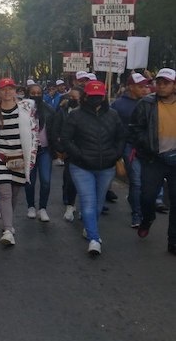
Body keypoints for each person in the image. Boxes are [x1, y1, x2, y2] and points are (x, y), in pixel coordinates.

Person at [62, 80, 125, 256]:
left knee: (98, 203)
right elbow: (66, 139)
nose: (96, 99)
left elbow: (121, 137)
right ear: (85, 96)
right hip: (81, 166)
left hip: (106, 166)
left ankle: (90, 228)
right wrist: (79, 155)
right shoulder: (75, 115)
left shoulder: (113, 115)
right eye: (92, 96)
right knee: (88, 202)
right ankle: (94, 239)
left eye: (99, 96)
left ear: (104, 96)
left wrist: (115, 154)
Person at [0, 79, 38, 246]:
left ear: (16, 91)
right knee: (4, 194)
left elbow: (34, 135)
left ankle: (8, 222)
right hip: (0, 158)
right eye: (4, 89)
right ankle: (8, 229)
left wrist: (30, 158)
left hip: (19, 159)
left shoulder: (26, 110)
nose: (7, 92)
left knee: (14, 195)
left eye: (10, 89)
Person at [131, 68, 176, 255]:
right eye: (159, 82)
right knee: (147, 196)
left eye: (166, 82)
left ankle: (172, 241)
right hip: (153, 159)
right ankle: (147, 218)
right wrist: (147, 145)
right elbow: (135, 129)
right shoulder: (146, 104)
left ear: (174, 85)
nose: (162, 86)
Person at [112, 72, 151, 227]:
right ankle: (137, 214)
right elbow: (112, 128)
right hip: (128, 147)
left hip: (147, 147)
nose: (144, 89)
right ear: (130, 87)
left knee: (145, 181)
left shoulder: (149, 103)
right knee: (136, 181)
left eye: (145, 86)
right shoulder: (118, 105)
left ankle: (135, 202)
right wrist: (117, 155)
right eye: (140, 86)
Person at [26, 83, 57, 222]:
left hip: (45, 150)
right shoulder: (23, 110)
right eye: (33, 92)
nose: (36, 95)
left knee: (46, 180)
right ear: (29, 93)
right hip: (29, 151)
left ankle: (42, 208)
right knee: (30, 181)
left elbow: (55, 130)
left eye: (39, 93)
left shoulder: (49, 110)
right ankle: (31, 206)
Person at [55, 87, 83, 222]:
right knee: (70, 178)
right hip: (69, 151)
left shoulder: (88, 113)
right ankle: (69, 204)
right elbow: (57, 130)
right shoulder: (63, 111)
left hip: (86, 151)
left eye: (74, 97)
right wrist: (61, 149)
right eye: (69, 97)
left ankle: (85, 208)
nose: (71, 99)